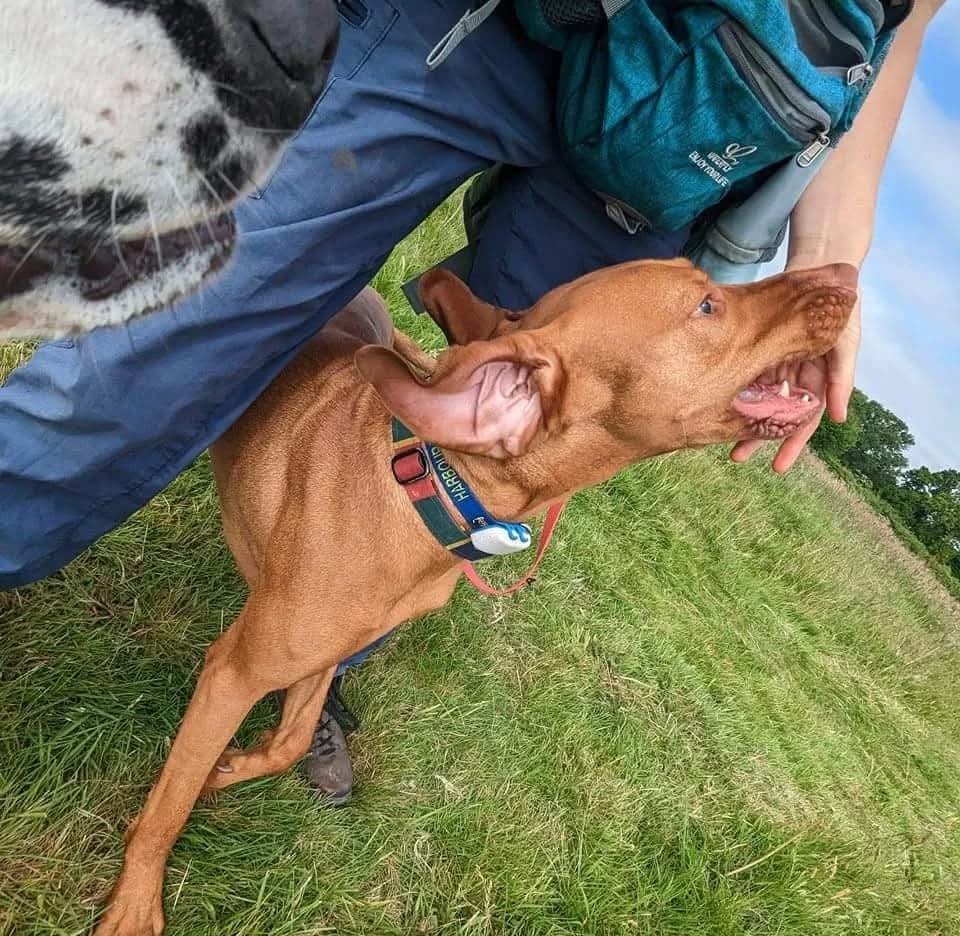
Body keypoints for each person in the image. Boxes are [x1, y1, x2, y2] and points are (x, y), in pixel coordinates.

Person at [0, 0, 946, 802]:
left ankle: (314, 641)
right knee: (199, 317)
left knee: (491, 454)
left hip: (669, 133)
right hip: (471, 26)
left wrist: (831, 266)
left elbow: (893, 31)